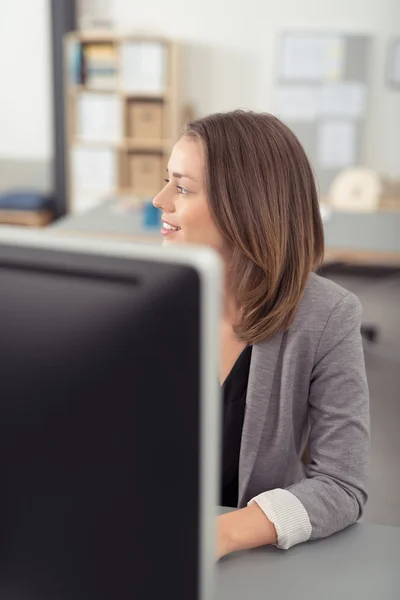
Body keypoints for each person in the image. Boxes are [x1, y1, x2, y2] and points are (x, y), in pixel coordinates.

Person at [153, 110, 370, 558]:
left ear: (244, 206)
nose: (159, 199)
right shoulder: (149, 300)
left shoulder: (328, 315)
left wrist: (222, 534)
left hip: (242, 559)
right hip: (140, 539)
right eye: (167, 181)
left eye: (183, 187)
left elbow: (342, 485)